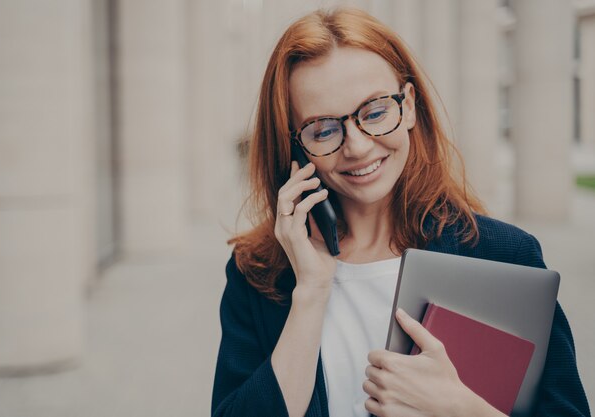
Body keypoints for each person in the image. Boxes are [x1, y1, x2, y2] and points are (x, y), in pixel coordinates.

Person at [211, 7, 590, 417]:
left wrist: (458, 407)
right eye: (323, 129)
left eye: (374, 112)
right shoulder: (258, 272)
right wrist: (311, 293)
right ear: (295, 146)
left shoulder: (504, 254)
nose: (356, 147)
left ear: (408, 106)